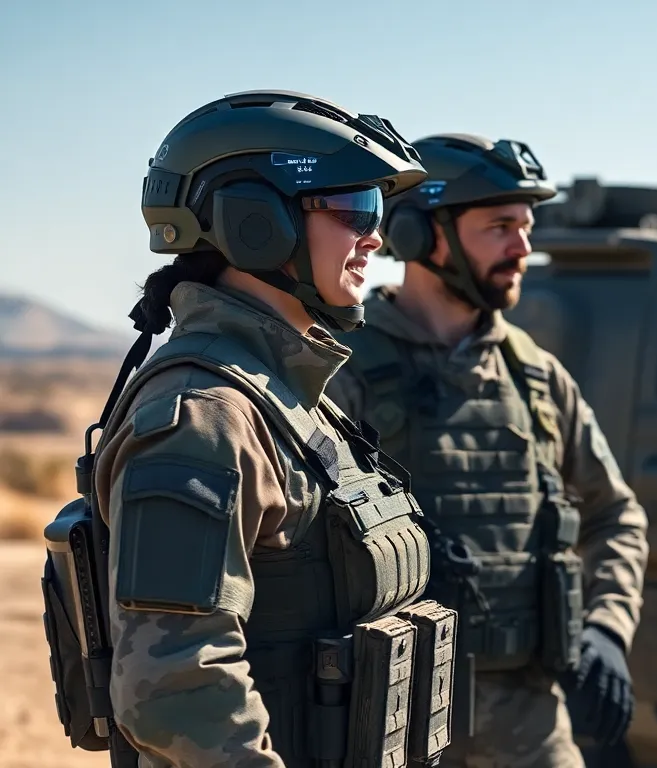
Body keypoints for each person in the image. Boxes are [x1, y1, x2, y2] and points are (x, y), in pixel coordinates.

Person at [89, 90, 455, 766]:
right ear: (255, 220)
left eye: (377, 210)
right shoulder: (204, 415)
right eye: (353, 208)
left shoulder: (286, 396)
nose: (374, 235)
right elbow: (173, 687)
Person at [327, 133, 649, 767]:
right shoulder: (343, 370)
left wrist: (607, 628)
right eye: (500, 225)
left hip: (530, 726)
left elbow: (617, 515)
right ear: (422, 234)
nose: (523, 247)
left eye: (526, 227)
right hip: (389, 723)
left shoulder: (537, 377)